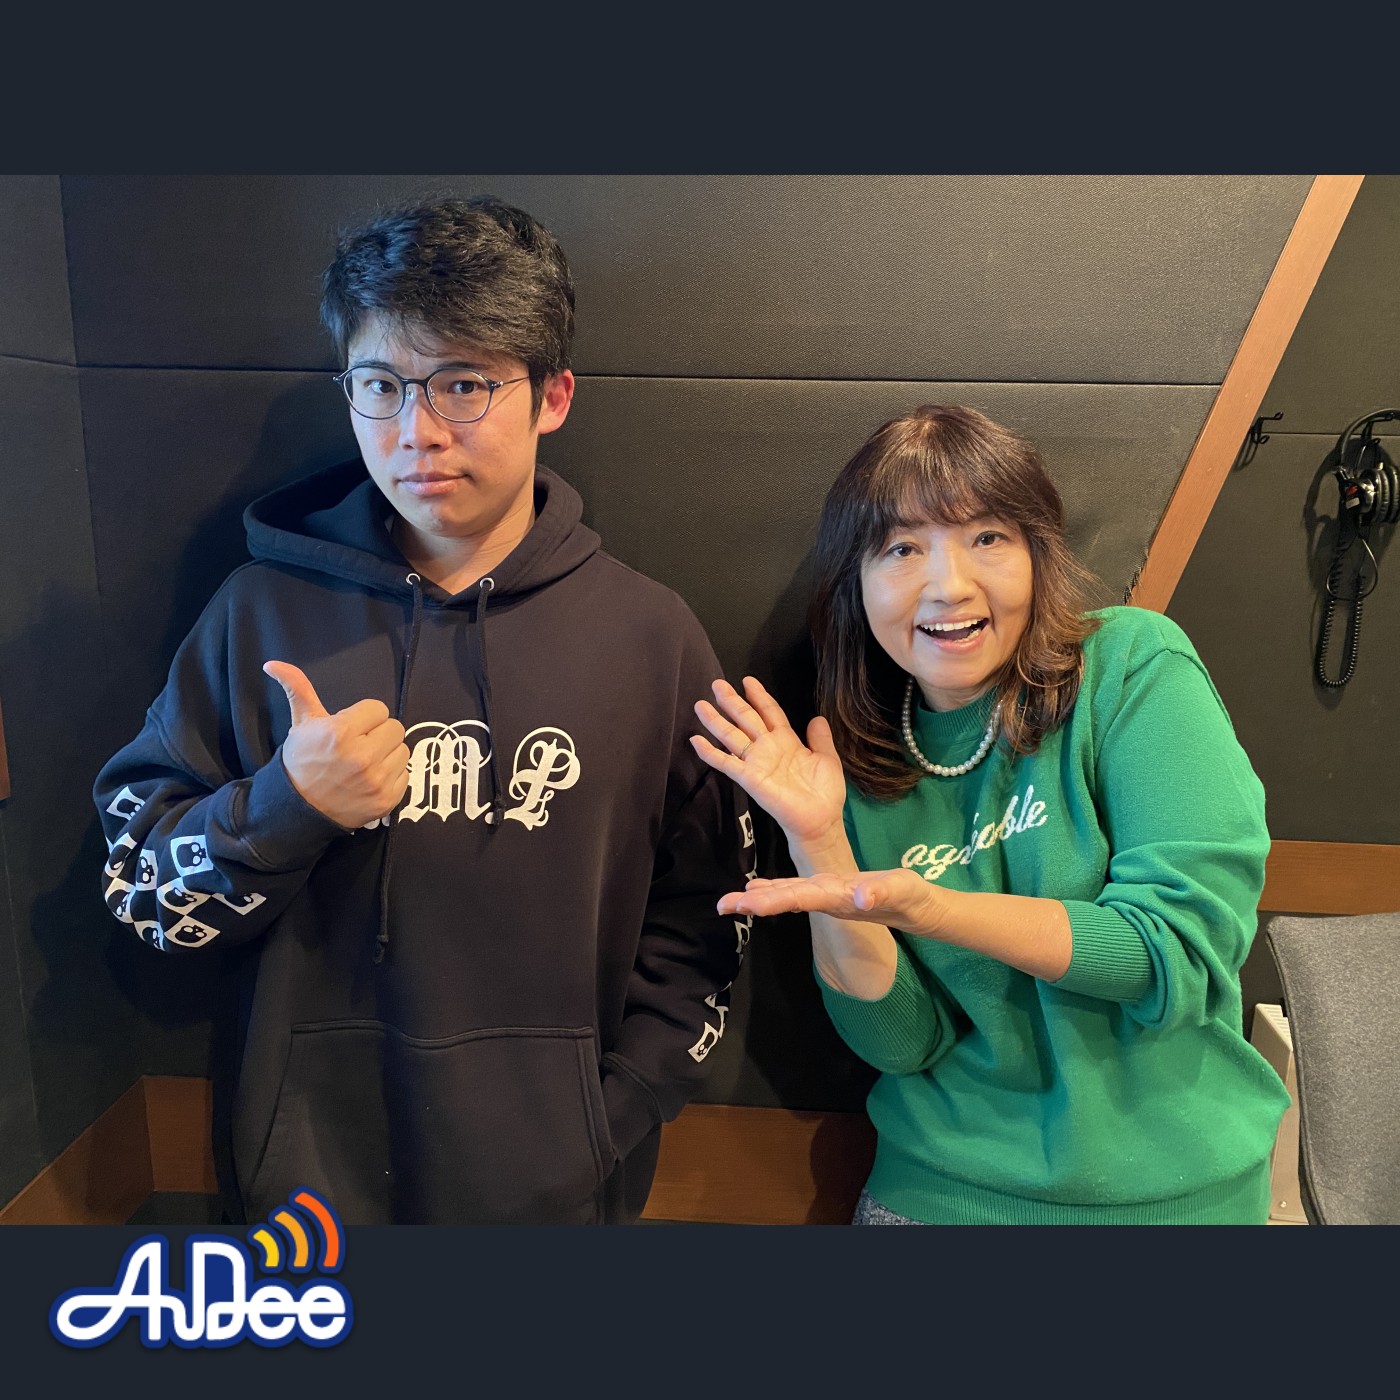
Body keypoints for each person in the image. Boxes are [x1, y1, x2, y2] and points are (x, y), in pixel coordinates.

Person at [93, 195, 751, 1225]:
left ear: (552, 396)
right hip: (304, 1195)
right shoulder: (257, 613)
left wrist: (613, 1109)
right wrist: (284, 807)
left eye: (464, 384)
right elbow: (141, 894)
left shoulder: (649, 636)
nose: (417, 433)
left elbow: (712, 911)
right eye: (381, 385)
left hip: (566, 1189)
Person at [692, 404, 1290, 1225]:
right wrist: (819, 838)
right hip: (936, 1194)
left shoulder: (1130, 666)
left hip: (1173, 1201)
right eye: (902, 549)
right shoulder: (852, 764)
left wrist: (932, 908)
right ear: (855, 584)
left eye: (987, 538)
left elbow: (1175, 955)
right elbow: (902, 1043)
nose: (949, 585)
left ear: (1038, 556)